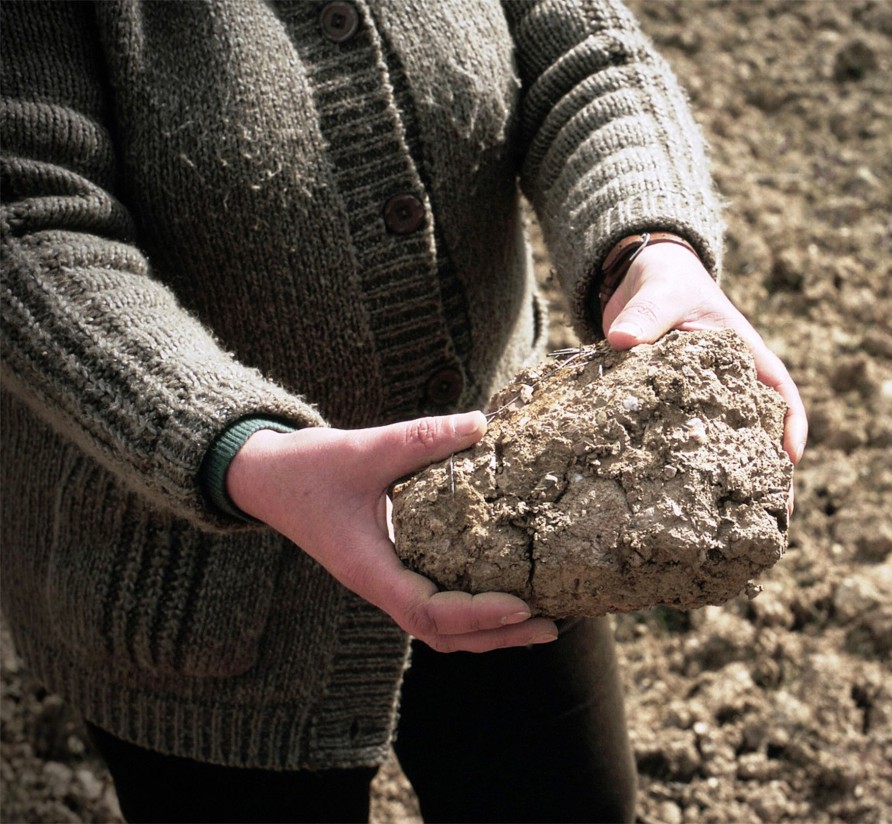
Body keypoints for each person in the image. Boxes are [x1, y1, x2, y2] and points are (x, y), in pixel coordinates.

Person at [0, 0, 806, 821]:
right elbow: (27, 217)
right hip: (195, 594)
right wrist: (235, 450)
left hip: (518, 513)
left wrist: (647, 246)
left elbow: (580, 48)